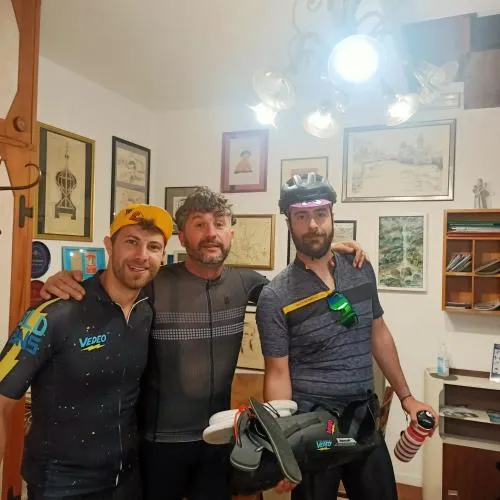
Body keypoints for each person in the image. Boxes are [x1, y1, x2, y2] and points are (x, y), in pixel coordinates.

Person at [40, 187, 368, 500]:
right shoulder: (154, 282)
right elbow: (112, 284)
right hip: (158, 445)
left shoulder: (248, 283)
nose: (211, 233)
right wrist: (63, 280)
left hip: (219, 438)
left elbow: (295, 290)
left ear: (231, 234)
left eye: (219, 224)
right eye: (199, 225)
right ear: (182, 237)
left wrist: (324, 254)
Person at [256, 173, 438, 500]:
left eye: (320, 214)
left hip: (362, 419)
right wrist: (282, 444)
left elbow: (378, 332)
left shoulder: (359, 268)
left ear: (332, 216)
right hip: (313, 428)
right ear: (289, 224)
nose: (313, 224)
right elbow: (277, 373)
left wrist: (407, 397)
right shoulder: (276, 296)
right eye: (301, 216)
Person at [0, 204, 173, 499]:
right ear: (109, 245)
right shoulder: (53, 312)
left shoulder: (147, 311)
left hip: (126, 479)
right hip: (60, 484)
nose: (142, 255)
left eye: (153, 246)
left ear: (162, 255)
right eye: (131, 242)